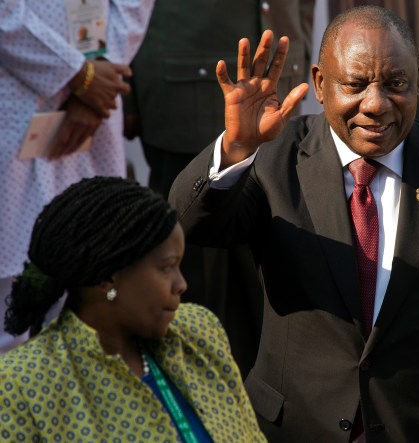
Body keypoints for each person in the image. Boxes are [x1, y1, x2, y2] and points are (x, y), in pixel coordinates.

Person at [170, 5, 419, 442]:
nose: (375, 104)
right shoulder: (272, 160)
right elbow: (189, 227)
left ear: (418, 78)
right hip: (295, 430)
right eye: (354, 85)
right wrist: (235, 148)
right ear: (320, 84)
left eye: (396, 84)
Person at [123, 0, 315, 374]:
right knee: (193, 282)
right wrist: (126, 91)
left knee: (273, 277)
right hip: (186, 95)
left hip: (277, 91)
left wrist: (301, 52)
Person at [0, 176, 266, 442]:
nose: (181, 284)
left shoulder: (199, 330)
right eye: (167, 267)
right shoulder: (21, 384)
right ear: (107, 278)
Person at [0, 0, 154, 352]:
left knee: (91, 286)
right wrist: (77, 75)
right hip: (12, 94)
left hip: (97, 103)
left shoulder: (96, 87)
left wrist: (100, 78)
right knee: (7, 311)